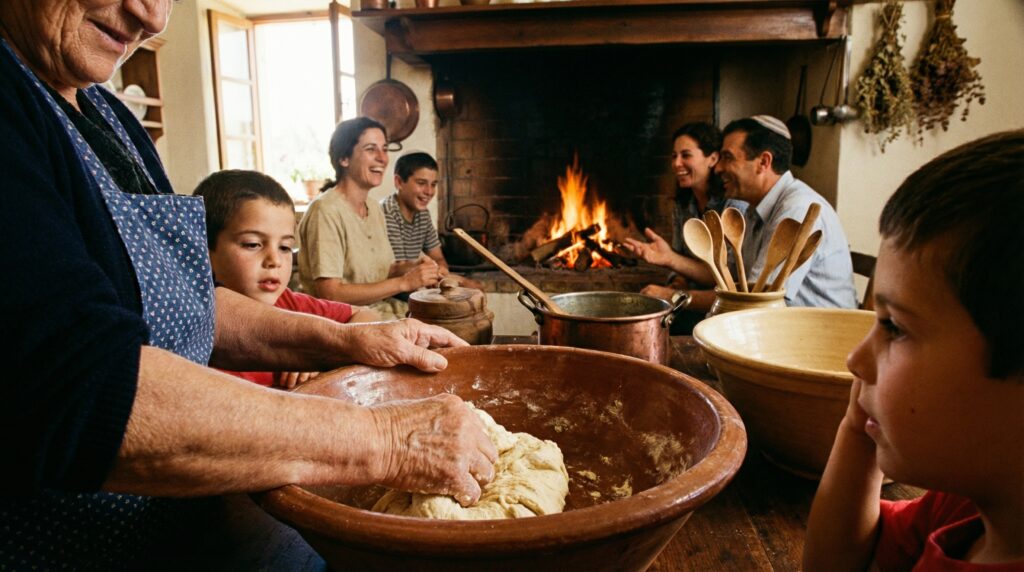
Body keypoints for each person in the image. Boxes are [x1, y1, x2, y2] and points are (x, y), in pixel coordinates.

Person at [0, 2, 496, 568]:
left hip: (183, 528)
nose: (152, 17)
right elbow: (81, 391)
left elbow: (189, 302)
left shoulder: (105, 113)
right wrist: (386, 439)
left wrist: (345, 339)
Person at [803, 130, 1024, 570]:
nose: (855, 360)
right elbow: (841, 560)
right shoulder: (967, 509)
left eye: (895, 327)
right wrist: (857, 430)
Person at [626, 115, 856, 313]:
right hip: (778, 328)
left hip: (818, 341)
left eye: (727, 158)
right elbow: (733, 280)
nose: (718, 168)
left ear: (763, 162)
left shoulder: (796, 209)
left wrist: (676, 297)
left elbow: (757, 303)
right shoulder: (755, 211)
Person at [194, 169, 383, 389]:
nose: (275, 260)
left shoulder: (288, 303)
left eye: (285, 247)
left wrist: (320, 352)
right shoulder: (197, 338)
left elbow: (366, 316)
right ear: (202, 250)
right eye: (252, 244)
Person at [297, 118, 441, 320]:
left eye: (384, 149)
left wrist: (414, 268)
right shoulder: (325, 211)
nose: (383, 158)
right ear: (344, 158)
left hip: (379, 310)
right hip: (342, 321)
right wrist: (404, 283)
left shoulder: (373, 208)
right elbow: (330, 293)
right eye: (371, 149)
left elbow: (379, 271)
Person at [628, 122, 745, 332]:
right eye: (674, 156)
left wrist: (672, 288)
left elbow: (728, 278)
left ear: (713, 159)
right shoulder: (684, 204)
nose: (676, 163)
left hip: (722, 311)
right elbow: (681, 259)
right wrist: (676, 283)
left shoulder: (733, 206)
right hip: (688, 301)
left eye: (686, 155)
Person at [381, 151, 483, 290]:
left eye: (433, 184)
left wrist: (441, 270)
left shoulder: (423, 213)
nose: (429, 191)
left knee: (474, 289)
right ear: (399, 182)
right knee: (468, 289)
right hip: (391, 290)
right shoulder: (386, 212)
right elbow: (395, 270)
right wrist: (455, 278)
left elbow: (438, 258)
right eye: (421, 183)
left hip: (412, 287)